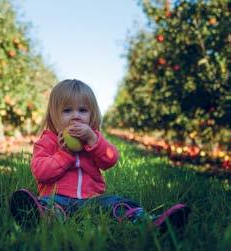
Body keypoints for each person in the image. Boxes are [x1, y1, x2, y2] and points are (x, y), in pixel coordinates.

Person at [10, 79, 190, 232]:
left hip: (92, 200)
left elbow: (110, 160)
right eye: (67, 111)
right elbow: (41, 173)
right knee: (49, 205)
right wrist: (65, 154)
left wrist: (93, 141)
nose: (76, 117)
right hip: (57, 196)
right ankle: (40, 218)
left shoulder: (93, 139)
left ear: (92, 114)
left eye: (82, 110)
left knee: (117, 203)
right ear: (53, 115)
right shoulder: (47, 141)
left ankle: (150, 223)